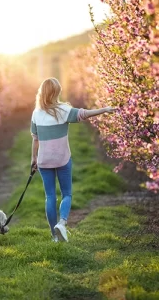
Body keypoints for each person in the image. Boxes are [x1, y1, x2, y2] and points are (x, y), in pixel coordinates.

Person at [30, 77, 116, 242]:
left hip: (44, 161)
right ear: (56, 93)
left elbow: (35, 139)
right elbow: (84, 114)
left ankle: (54, 236)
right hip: (62, 158)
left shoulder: (36, 113)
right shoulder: (63, 110)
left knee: (49, 196)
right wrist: (104, 109)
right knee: (67, 193)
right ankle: (62, 223)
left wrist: (33, 158)